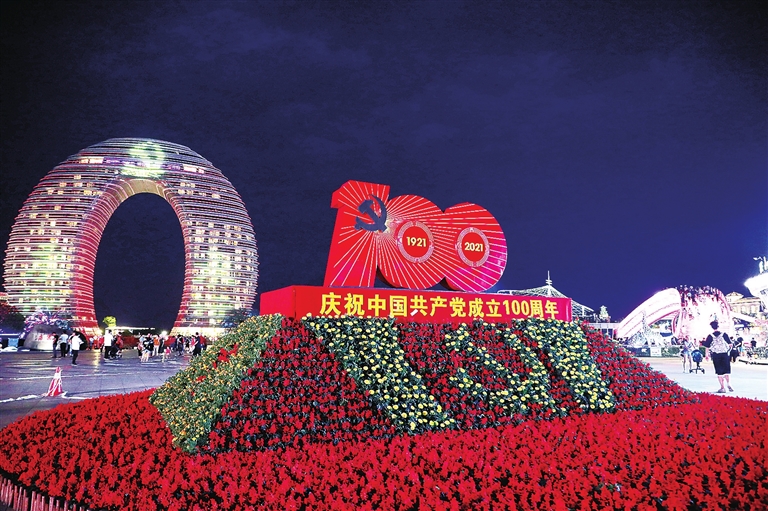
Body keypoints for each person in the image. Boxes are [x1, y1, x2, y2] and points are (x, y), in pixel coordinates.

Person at [702, 320, 733, 393]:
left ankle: (722, 387)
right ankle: (728, 383)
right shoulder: (724, 334)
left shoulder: (710, 336)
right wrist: (728, 351)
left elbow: (707, 347)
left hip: (716, 355)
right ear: (718, 326)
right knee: (726, 371)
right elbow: (730, 344)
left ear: (712, 327)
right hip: (725, 354)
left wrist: (707, 355)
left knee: (719, 372)